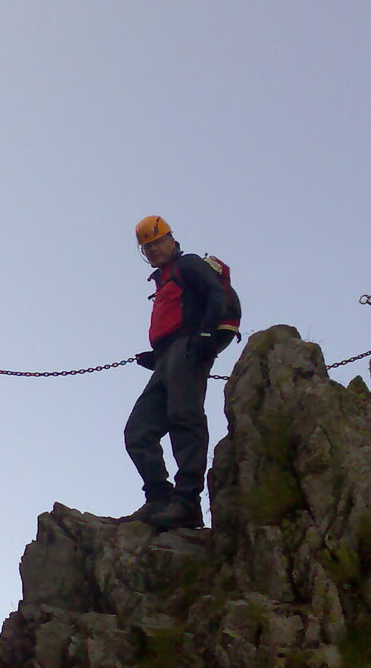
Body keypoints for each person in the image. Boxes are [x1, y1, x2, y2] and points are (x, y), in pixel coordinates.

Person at [120, 215, 234, 530]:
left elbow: (214, 293)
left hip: (188, 347)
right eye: (148, 247)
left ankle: (186, 504)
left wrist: (207, 334)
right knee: (138, 431)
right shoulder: (166, 278)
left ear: (171, 240)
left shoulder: (189, 265)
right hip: (170, 354)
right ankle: (159, 497)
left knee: (185, 419)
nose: (154, 250)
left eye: (158, 242)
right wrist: (157, 356)